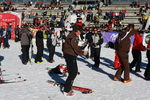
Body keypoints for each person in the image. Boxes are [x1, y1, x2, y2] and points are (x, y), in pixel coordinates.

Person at [62, 25, 88, 96]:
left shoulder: (72, 35)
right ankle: (66, 90)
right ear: (77, 31)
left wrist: (82, 46)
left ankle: (67, 87)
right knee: (73, 73)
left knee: (72, 72)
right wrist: (83, 52)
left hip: (69, 55)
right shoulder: (73, 37)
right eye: (80, 32)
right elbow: (75, 48)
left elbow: (74, 46)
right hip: (70, 56)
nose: (80, 33)